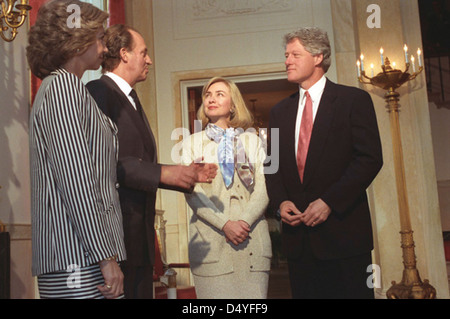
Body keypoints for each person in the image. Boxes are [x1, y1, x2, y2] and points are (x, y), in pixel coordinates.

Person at [86, 24, 217, 299]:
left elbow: (139, 161)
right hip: (116, 236)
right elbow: (106, 161)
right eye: (143, 53)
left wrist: (184, 175)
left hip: (138, 237)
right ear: (124, 54)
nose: (149, 60)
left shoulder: (130, 97)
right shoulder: (99, 91)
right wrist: (164, 173)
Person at [265, 27, 383, 299]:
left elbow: (369, 159)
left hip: (345, 239)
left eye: (295, 54)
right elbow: (271, 166)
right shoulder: (279, 111)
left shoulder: (353, 100)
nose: (287, 61)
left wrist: (329, 201)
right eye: (286, 55)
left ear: (318, 57)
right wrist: (280, 203)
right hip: (298, 245)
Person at [27, 0, 125, 299]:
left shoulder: (68, 89)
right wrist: (105, 256)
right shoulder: (62, 89)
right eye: (98, 38)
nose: (104, 48)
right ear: (76, 41)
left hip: (83, 254)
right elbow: (77, 182)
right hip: (78, 256)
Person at [181, 77, 272, 299]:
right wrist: (225, 225)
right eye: (208, 95)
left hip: (252, 241)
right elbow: (192, 193)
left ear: (233, 105)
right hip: (211, 245)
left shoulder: (254, 141)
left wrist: (243, 222)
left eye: (220, 94)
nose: (212, 99)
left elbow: (265, 188)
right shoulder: (191, 143)